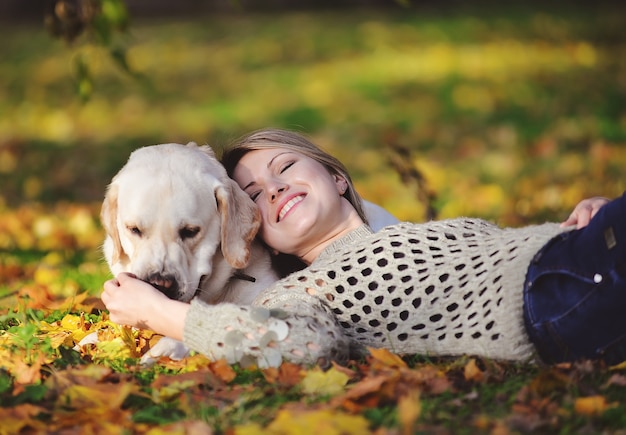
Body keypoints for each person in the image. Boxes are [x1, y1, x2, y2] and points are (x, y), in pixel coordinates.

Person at [102, 128, 625, 369]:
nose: (275, 189)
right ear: (257, 232)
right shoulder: (314, 285)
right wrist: (166, 315)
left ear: (335, 176)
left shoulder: (394, 236)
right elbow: (299, 344)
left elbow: (491, 255)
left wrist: (574, 224)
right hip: (557, 295)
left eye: (285, 168)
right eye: (257, 196)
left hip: (574, 259)